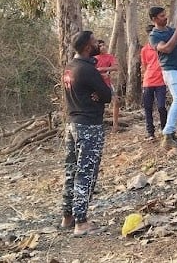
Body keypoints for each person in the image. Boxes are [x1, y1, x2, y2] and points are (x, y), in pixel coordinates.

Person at [61, 30, 112, 237]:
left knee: (71, 171)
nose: (98, 45)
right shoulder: (87, 70)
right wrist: (98, 95)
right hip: (89, 125)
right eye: (94, 42)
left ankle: (67, 216)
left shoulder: (70, 68)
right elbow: (107, 95)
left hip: (72, 124)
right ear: (87, 47)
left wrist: (95, 94)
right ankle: (81, 222)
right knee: (86, 173)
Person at [149, 6, 177, 150]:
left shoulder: (171, 30)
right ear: (154, 19)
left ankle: (171, 133)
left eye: (165, 15)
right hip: (169, 69)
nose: (165, 17)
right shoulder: (154, 36)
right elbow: (166, 49)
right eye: (162, 16)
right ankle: (167, 134)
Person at [141, 25, 168, 140]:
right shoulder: (144, 50)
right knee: (148, 108)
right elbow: (145, 65)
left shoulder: (162, 47)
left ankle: (165, 129)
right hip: (148, 82)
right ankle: (150, 132)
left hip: (161, 81)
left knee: (161, 106)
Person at [94, 39, 119, 132]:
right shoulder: (93, 58)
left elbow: (116, 67)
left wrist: (104, 69)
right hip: (96, 84)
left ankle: (115, 125)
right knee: (98, 105)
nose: (103, 47)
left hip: (108, 83)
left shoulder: (110, 57)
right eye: (100, 46)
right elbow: (90, 71)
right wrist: (100, 73)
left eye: (104, 45)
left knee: (116, 101)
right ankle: (98, 125)